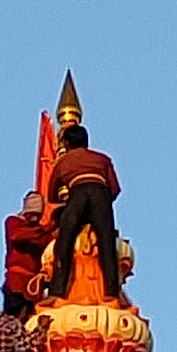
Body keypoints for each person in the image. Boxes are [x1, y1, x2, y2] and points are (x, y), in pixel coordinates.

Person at [47, 124, 121, 299]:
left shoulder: (63, 163)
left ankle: (57, 290)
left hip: (77, 194)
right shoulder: (102, 159)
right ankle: (111, 291)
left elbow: (51, 195)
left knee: (64, 242)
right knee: (106, 242)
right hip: (101, 194)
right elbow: (115, 188)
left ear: (66, 143)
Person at [3, 191, 52, 315]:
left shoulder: (41, 233)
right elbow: (17, 237)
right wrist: (46, 229)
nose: (36, 219)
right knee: (14, 318)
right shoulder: (14, 222)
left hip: (34, 287)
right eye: (33, 214)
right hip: (16, 283)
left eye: (38, 215)